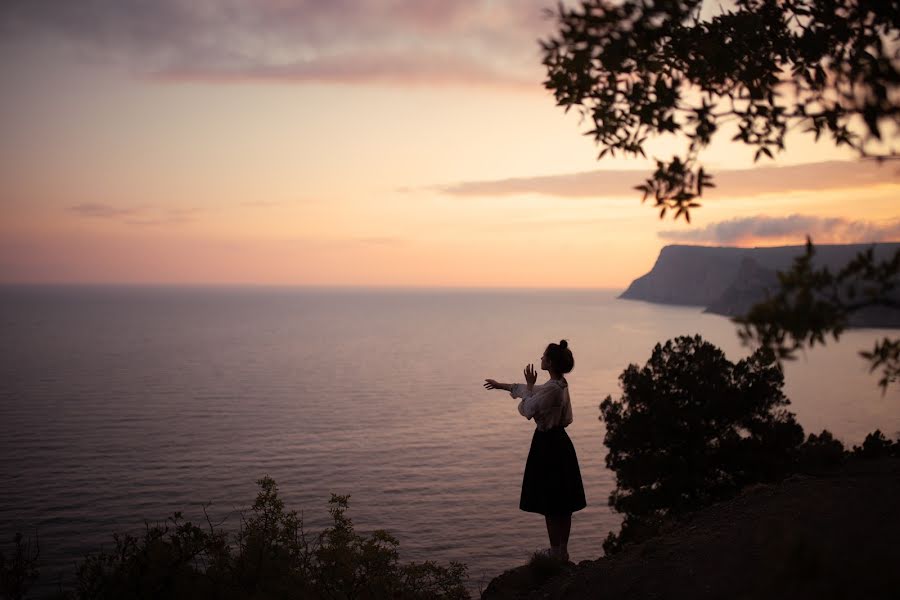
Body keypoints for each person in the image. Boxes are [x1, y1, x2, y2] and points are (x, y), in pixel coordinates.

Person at [484, 340, 586, 562]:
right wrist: (502, 386)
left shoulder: (552, 389)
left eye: (543, 357)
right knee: (562, 501)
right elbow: (533, 392)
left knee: (552, 501)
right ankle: (561, 550)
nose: (540, 359)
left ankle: (556, 552)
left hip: (548, 444)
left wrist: (529, 387)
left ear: (549, 362)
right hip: (560, 442)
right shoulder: (559, 384)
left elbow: (527, 408)